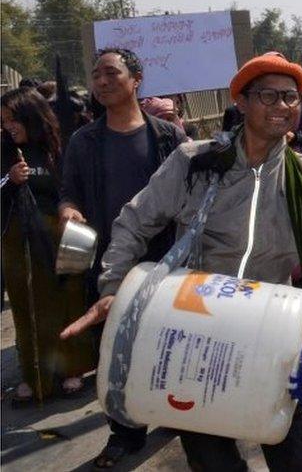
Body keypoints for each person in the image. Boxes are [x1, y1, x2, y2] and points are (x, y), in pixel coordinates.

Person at [62, 51, 302, 471]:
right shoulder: (196, 163)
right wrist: (114, 288)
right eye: (268, 95)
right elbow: (134, 222)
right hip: (194, 335)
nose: (282, 106)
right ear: (241, 104)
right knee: (213, 462)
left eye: (291, 97)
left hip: (273, 338)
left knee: (293, 459)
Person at [58, 48, 186, 469]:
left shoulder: (169, 137)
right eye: (96, 75)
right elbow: (68, 191)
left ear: (136, 79)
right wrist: (68, 211)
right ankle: (125, 433)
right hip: (108, 266)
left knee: (168, 344)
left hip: (165, 261)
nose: (102, 81)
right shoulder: (84, 141)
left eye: (111, 72)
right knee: (115, 351)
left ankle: (175, 413)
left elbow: (198, 185)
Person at [1, 88, 95, 404]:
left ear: (31, 116)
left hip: (62, 238)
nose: (8, 127)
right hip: (19, 243)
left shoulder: (61, 148)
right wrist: (9, 180)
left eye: (13, 119)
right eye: (3, 121)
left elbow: (77, 188)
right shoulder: (4, 152)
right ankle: (34, 375)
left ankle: (72, 370)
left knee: (68, 301)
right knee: (27, 306)